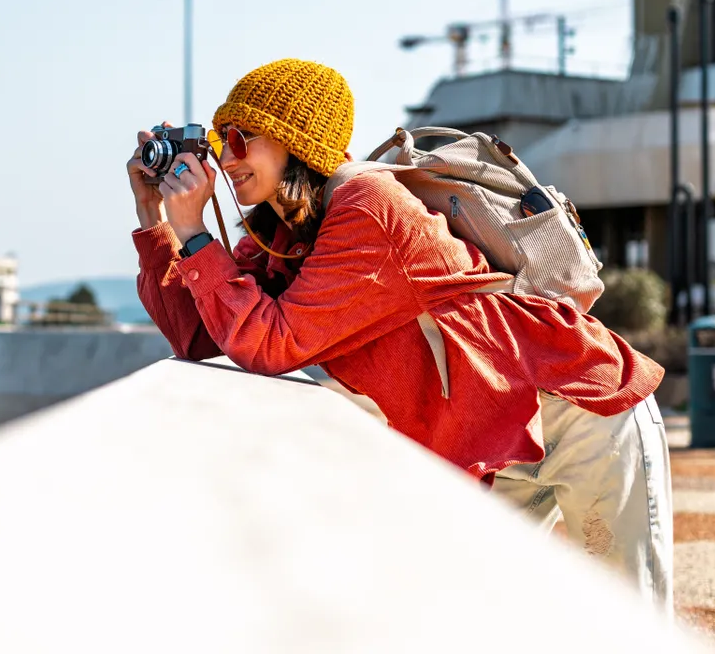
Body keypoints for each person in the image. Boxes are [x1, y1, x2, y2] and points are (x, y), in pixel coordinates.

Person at [126, 58, 673, 611]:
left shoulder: (368, 208)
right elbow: (197, 337)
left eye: (244, 137)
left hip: (583, 412)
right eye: (222, 140)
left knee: (629, 620)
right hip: (495, 438)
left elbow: (269, 343)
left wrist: (195, 231)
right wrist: (156, 220)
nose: (227, 155)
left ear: (298, 141)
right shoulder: (282, 232)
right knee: (480, 623)